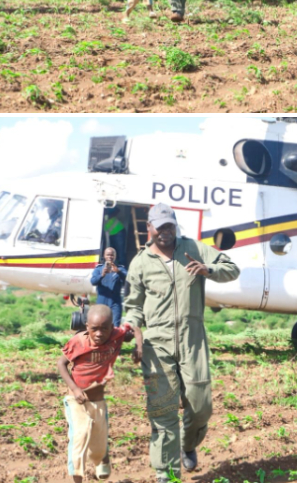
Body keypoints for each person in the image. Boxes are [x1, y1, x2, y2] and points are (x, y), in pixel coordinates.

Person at [123, 203, 240, 482]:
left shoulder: (193, 248)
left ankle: (188, 444)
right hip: (157, 343)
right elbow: (133, 305)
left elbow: (232, 268)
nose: (165, 232)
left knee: (201, 406)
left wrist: (208, 270)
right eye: (160, 226)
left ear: (175, 226)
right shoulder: (140, 263)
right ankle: (167, 474)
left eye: (170, 226)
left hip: (192, 339)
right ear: (149, 228)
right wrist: (132, 327)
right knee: (162, 410)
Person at [58, 304, 135, 482]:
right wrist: (75, 389)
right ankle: (78, 481)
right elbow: (61, 364)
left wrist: (136, 344)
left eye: (104, 329)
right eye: (94, 329)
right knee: (80, 437)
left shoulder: (116, 336)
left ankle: (102, 458)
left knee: (99, 446)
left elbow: (135, 330)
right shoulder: (79, 341)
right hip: (76, 400)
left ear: (112, 327)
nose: (99, 334)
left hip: (98, 401)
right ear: (87, 327)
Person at [89, 247, 128, 326]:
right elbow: (93, 281)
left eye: (112, 255)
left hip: (115, 302)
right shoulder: (99, 269)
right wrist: (102, 275)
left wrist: (118, 272)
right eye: (108, 255)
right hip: (102, 301)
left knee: (115, 325)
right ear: (104, 256)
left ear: (115, 256)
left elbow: (129, 279)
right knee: (100, 324)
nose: (110, 257)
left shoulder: (120, 268)